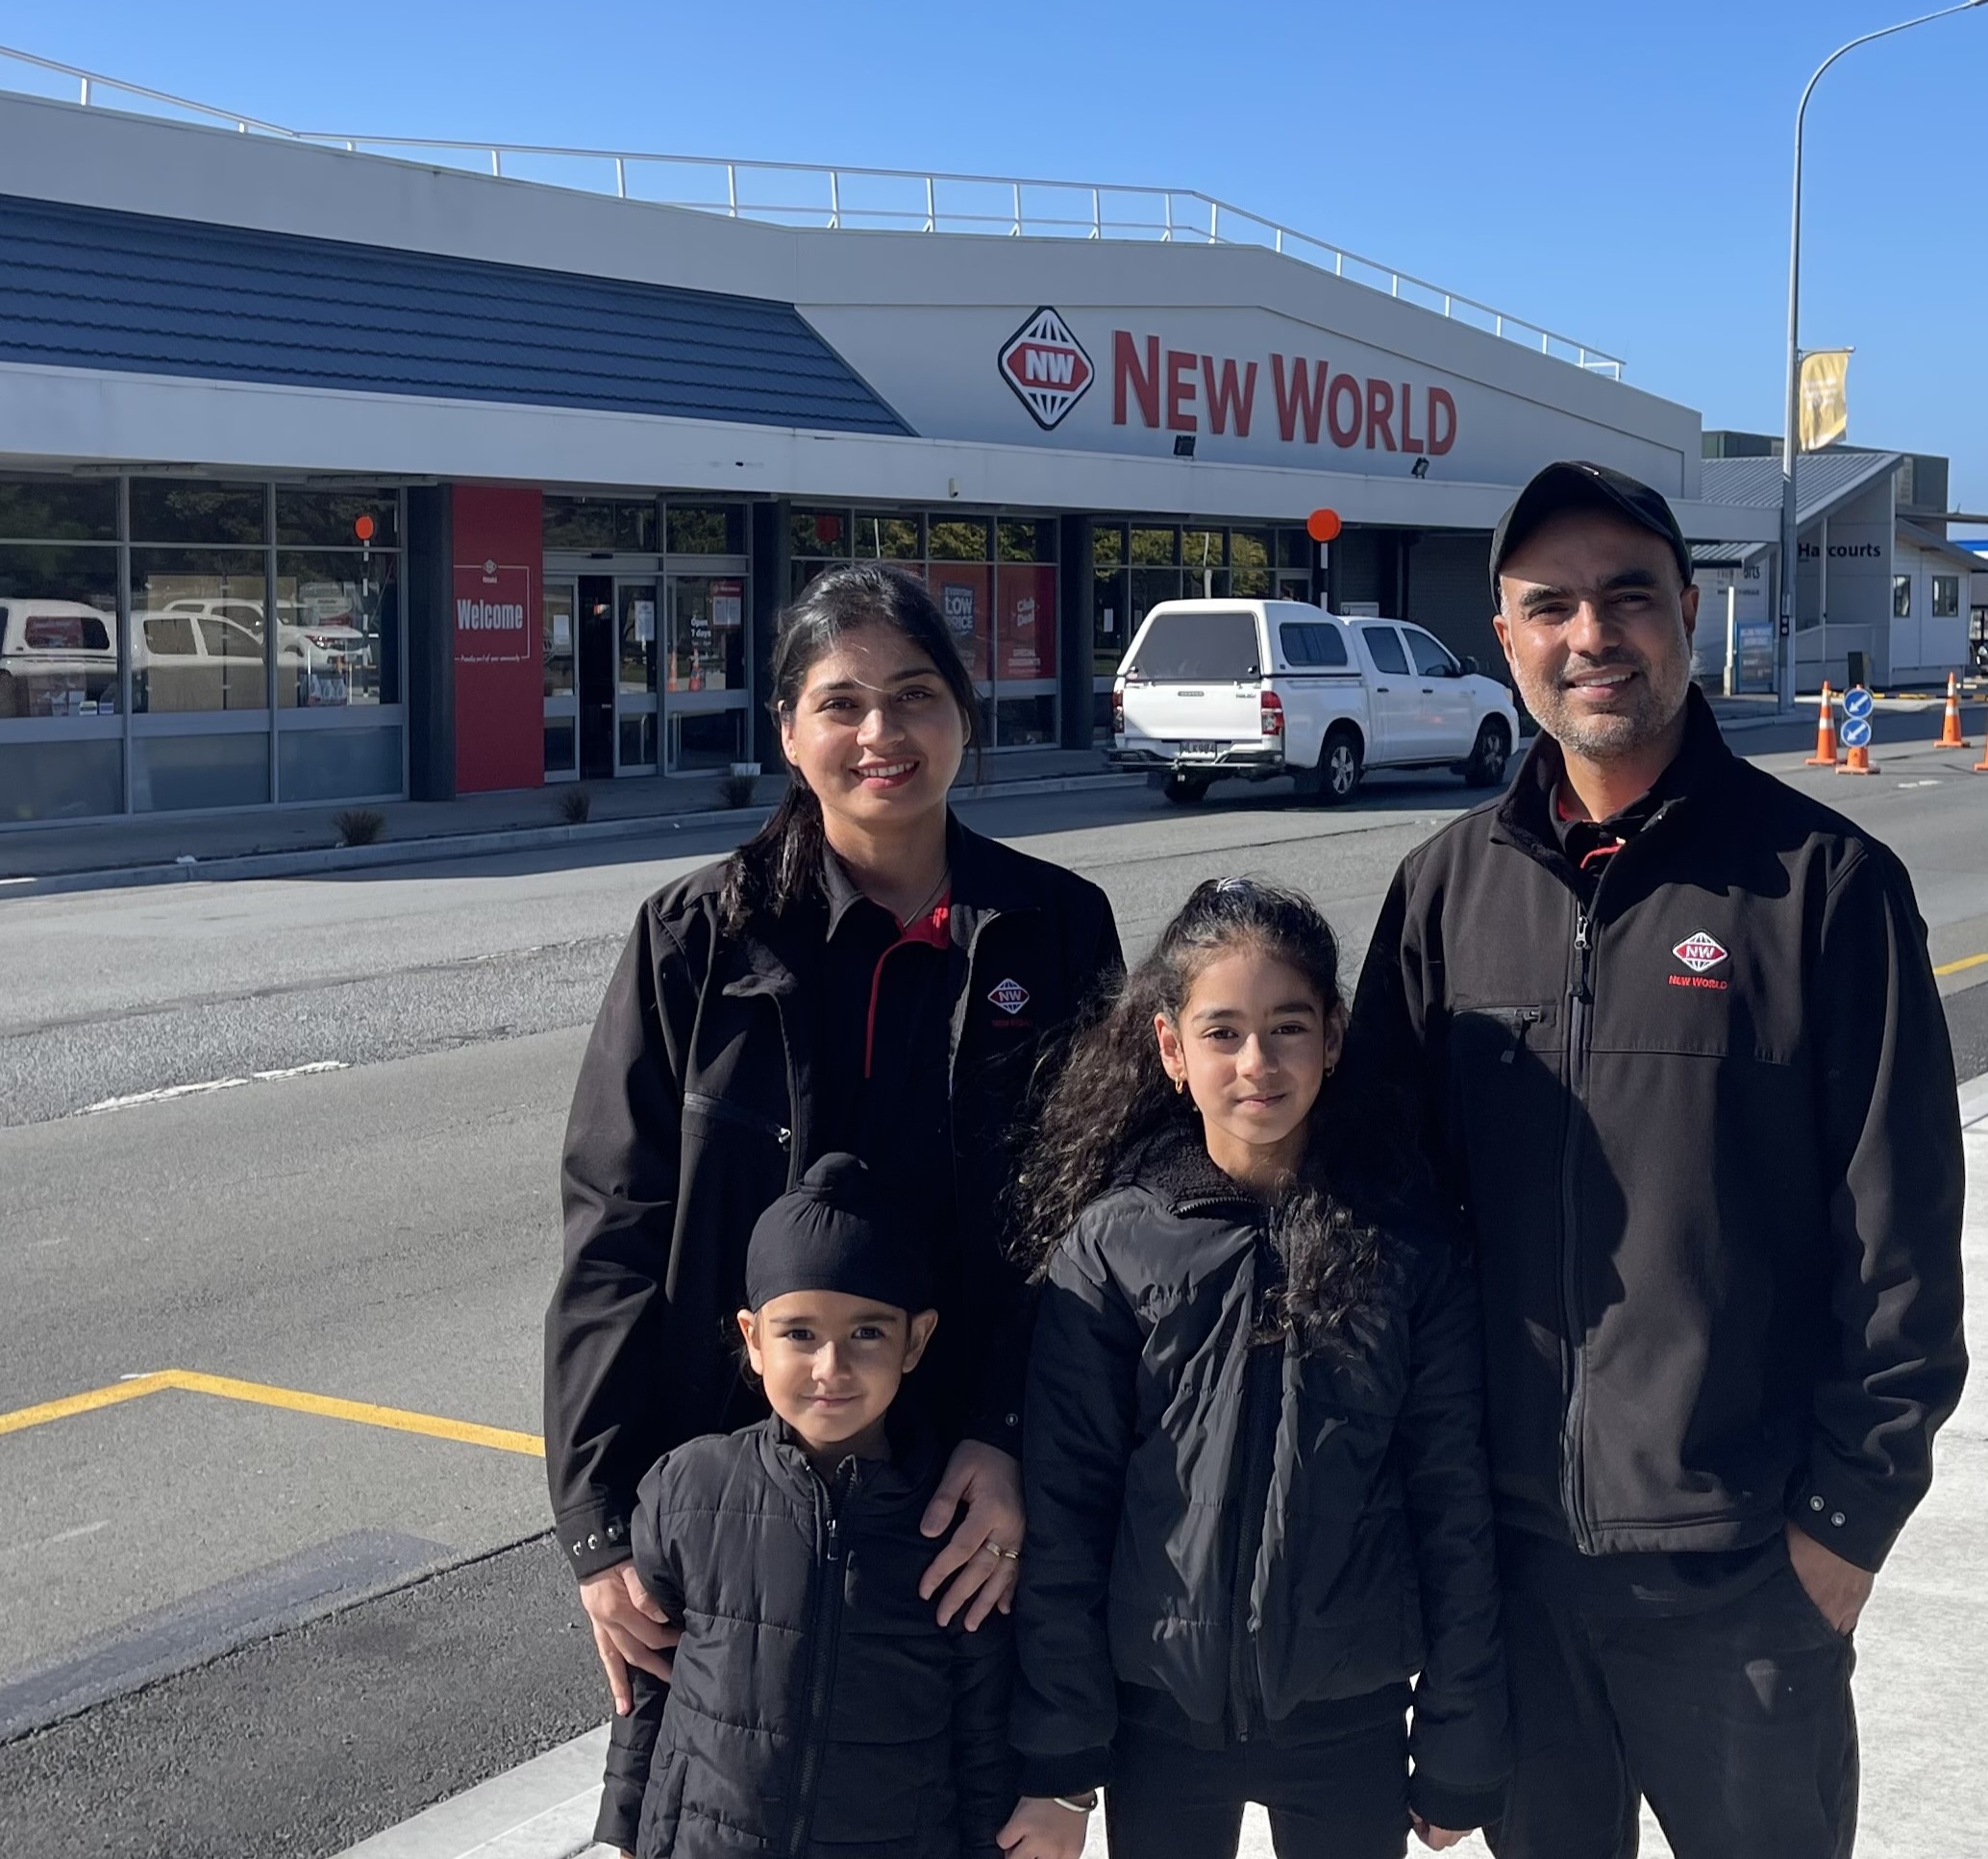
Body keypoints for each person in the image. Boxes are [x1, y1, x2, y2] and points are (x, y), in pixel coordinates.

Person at [1347, 460, 1969, 1858]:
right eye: (1550, 605)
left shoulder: (1826, 889)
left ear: (1688, 611)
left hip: (1745, 1579)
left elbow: (1903, 1248)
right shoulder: (1445, 892)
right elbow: (1377, 1224)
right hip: (1511, 1580)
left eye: (1629, 595)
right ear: (1505, 638)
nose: (1593, 633)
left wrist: (1839, 1539)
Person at [547, 562, 1124, 1718]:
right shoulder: (694, 939)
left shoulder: (1054, 929)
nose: (881, 732)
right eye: (842, 702)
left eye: (915, 695)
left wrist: (1009, 1434)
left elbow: (1091, 1229)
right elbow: (615, 1225)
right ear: (787, 729)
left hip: (964, 1500)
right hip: (725, 1493)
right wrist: (601, 1525)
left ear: (964, 710)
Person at [998, 878, 1507, 1859]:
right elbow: (1065, 1510)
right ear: (1169, 1050)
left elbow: (1452, 1498)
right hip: (1159, 1719)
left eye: (1286, 1026)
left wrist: (1459, 1728)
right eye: (1222, 1030)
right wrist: (1061, 1755)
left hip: (1349, 1709)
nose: (1257, 1062)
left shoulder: (1404, 1243)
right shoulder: (1116, 1245)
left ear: (1335, 1035)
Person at [595, 1153, 1019, 1859]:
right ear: (752, 1339)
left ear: (916, 1340)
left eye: (867, 1333)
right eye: (799, 1334)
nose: (832, 1367)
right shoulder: (690, 1491)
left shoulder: (951, 1529)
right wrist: (622, 1832)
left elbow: (982, 1735)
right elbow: (647, 1684)